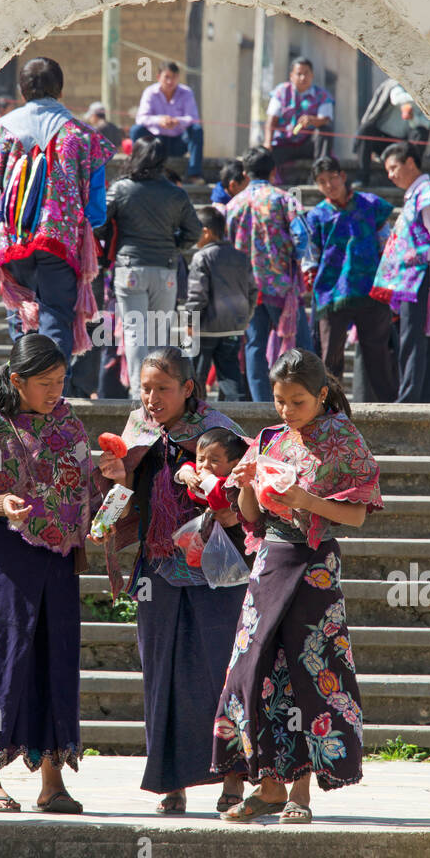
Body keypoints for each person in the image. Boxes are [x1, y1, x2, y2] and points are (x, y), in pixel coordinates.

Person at [213, 349, 382, 823]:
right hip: (269, 560)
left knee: (310, 671)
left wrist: (306, 498)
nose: (286, 411)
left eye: (298, 402)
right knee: (252, 668)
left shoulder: (344, 440)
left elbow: (357, 514)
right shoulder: (269, 439)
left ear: (322, 395)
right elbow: (249, 516)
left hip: (314, 566)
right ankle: (267, 784)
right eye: (279, 400)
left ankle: (300, 792)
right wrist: (245, 481)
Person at [0, 334, 96, 814]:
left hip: (61, 562)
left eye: (61, 381)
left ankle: (53, 782)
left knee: (56, 661)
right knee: (3, 659)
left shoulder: (71, 426)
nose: (54, 391)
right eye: (44, 382)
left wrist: (111, 477)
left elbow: (85, 488)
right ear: (16, 381)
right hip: (8, 558)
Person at [95, 347, 250, 814]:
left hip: (217, 572)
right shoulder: (137, 429)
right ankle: (171, 784)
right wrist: (115, 478)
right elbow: (122, 494)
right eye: (145, 388)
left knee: (222, 673)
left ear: (188, 388)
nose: (151, 397)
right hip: (159, 570)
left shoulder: (221, 432)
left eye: (163, 388)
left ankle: (235, 779)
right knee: (160, 675)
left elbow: (248, 491)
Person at [0, 57, 115, 372]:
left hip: (11, 240)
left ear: (22, 91)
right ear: (59, 91)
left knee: (20, 312)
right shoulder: (83, 137)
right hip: (60, 243)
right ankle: (50, 396)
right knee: (55, 317)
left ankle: (21, 388)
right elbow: (97, 208)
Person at [103, 135, 201, 396]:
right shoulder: (176, 193)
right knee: (160, 335)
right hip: (165, 269)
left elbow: (99, 222)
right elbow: (194, 231)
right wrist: (173, 245)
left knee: (135, 332)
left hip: (130, 267)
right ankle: (159, 391)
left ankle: (139, 392)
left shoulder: (121, 188)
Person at [371, 142, 430, 403]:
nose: (390, 175)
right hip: (410, 280)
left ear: (410, 163)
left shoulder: (427, 192)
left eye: (393, 168)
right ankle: (425, 396)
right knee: (420, 337)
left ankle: (410, 398)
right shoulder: (417, 194)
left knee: (413, 338)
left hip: (418, 277)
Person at [302, 155, 397, 401]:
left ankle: (388, 409)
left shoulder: (370, 204)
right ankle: (330, 408)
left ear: (342, 176)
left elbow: (387, 244)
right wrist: (310, 278)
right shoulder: (317, 216)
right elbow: (310, 254)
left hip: (371, 290)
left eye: (332, 178)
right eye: (322, 182)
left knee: (377, 353)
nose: (329, 185)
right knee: (330, 356)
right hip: (332, 292)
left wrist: (389, 281)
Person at [226, 148, 307, 402]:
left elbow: (227, 240)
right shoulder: (284, 199)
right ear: (274, 171)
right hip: (280, 284)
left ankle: (261, 404)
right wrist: (294, 256)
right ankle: (298, 400)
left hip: (245, 286)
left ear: (245, 173)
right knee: (297, 345)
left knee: (254, 345)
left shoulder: (233, 204)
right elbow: (302, 236)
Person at [184, 205, 256, 402]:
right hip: (233, 328)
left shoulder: (202, 257)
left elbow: (197, 295)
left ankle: (196, 417)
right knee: (231, 376)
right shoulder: (241, 257)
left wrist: (190, 321)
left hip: (205, 329)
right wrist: (245, 318)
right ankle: (239, 419)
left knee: (196, 377)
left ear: (205, 232)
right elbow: (252, 291)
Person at [175, 428, 252, 565]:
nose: (205, 465)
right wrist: (186, 474)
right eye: (201, 459)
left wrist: (208, 479)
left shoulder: (232, 483)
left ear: (234, 464)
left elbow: (220, 499)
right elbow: (188, 465)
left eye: (214, 461)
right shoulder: (198, 473)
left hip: (236, 536)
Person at [132, 60, 205, 182]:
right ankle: (138, 170)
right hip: (156, 143)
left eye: (174, 77)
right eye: (167, 77)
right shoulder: (150, 92)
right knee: (136, 130)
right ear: (158, 77)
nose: (170, 81)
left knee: (197, 130)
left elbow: (192, 118)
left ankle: (194, 174)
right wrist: (159, 120)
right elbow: (141, 118)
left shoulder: (186, 92)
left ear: (178, 77)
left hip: (179, 143)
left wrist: (177, 121)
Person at [263, 58, 334, 181]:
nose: (302, 78)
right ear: (291, 76)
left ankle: (319, 177)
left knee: (324, 131)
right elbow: (271, 119)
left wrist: (313, 120)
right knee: (265, 155)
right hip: (283, 142)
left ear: (312, 75)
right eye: (299, 74)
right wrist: (267, 143)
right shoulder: (281, 92)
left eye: (306, 73)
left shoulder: (322, 95)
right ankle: (271, 182)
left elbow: (325, 119)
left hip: (309, 144)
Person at [352, 79, 430, 187]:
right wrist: (415, 101)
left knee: (421, 132)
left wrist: (413, 118)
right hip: (382, 139)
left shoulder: (429, 92)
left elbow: (426, 124)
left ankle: (413, 177)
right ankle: (362, 177)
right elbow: (396, 99)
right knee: (366, 129)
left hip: (404, 145)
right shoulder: (397, 83)